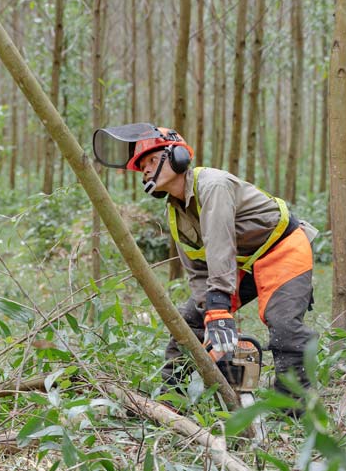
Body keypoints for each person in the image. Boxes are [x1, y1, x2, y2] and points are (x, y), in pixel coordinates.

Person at [93, 123, 317, 398]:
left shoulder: (213, 185)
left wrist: (220, 308)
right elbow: (197, 270)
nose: (146, 169)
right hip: (241, 262)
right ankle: (172, 395)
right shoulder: (176, 213)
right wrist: (208, 313)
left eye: (151, 160)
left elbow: (220, 244)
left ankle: (293, 409)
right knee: (190, 321)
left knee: (283, 326)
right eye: (142, 167)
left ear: (177, 157)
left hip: (282, 247)